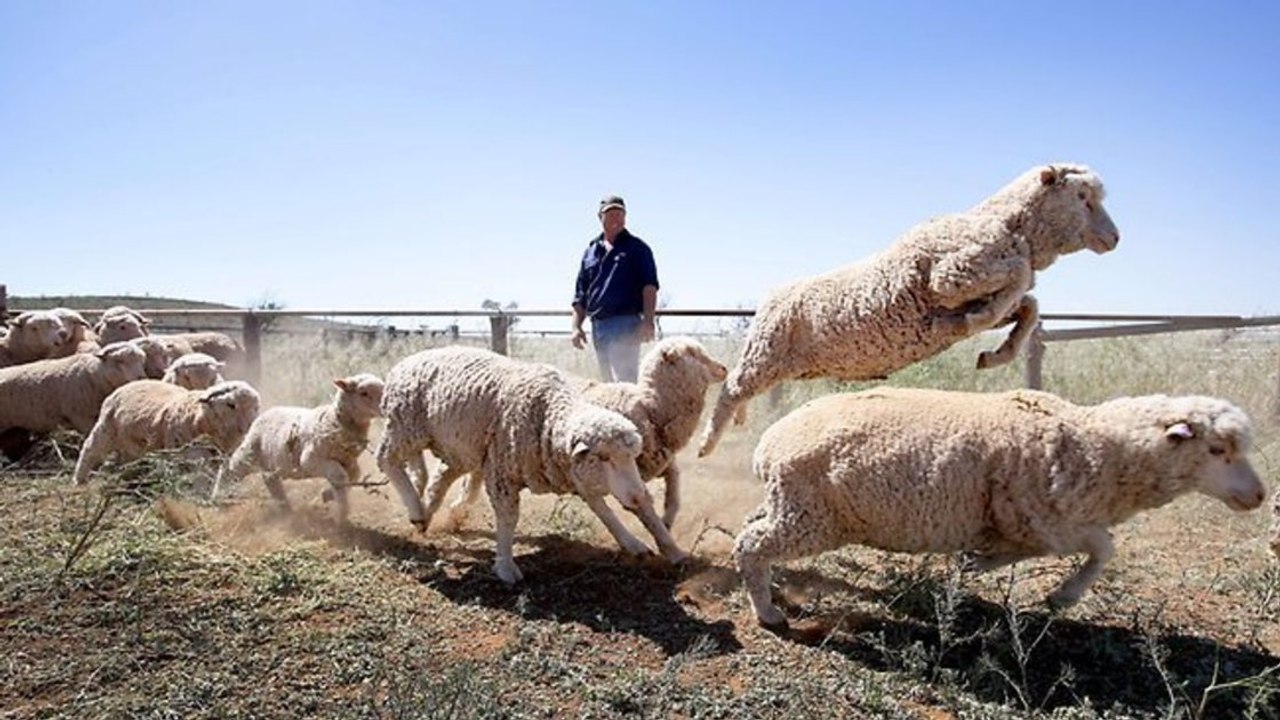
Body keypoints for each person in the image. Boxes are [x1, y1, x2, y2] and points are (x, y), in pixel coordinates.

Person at [571, 194, 659, 382]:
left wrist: (648, 321)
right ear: (600, 217)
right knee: (605, 383)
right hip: (598, 325)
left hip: (625, 323)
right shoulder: (591, 251)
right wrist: (576, 327)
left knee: (625, 381)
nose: (615, 220)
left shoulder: (638, 249)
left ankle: (628, 413)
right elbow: (580, 294)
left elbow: (649, 287)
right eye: (610, 214)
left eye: (620, 214)